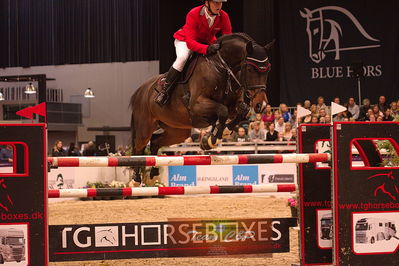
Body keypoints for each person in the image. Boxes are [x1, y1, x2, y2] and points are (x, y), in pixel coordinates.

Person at [154, 0, 232, 105]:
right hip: (185, 40)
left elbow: (228, 37)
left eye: (221, 3)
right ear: (206, 3)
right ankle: (165, 90)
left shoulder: (223, 16)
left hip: (206, 41)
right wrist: (207, 49)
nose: (219, 6)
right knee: (183, 57)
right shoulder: (194, 13)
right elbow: (191, 43)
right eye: (216, 3)